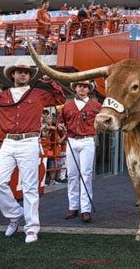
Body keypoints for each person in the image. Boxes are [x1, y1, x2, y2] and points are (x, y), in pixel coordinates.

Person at [0, 56, 66, 244]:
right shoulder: (2, 95)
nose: (24, 74)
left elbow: (60, 98)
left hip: (29, 141)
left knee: (29, 187)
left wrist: (50, 81)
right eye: (20, 71)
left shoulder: (38, 94)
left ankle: (32, 228)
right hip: (9, 142)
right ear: (13, 74)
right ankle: (15, 214)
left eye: (26, 72)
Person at [58, 80, 101, 223]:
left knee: (86, 174)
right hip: (71, 140)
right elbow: (59, 121)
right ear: (75, 88)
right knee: (71, 175)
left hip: (87, 140)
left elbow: (104, 120)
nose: (82, 88)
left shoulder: (96, 105)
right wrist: (60, 128)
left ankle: (86, 209)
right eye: (79, 86)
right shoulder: (67, 105)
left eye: (85, 86)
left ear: (89, 89)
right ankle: (73, 207)